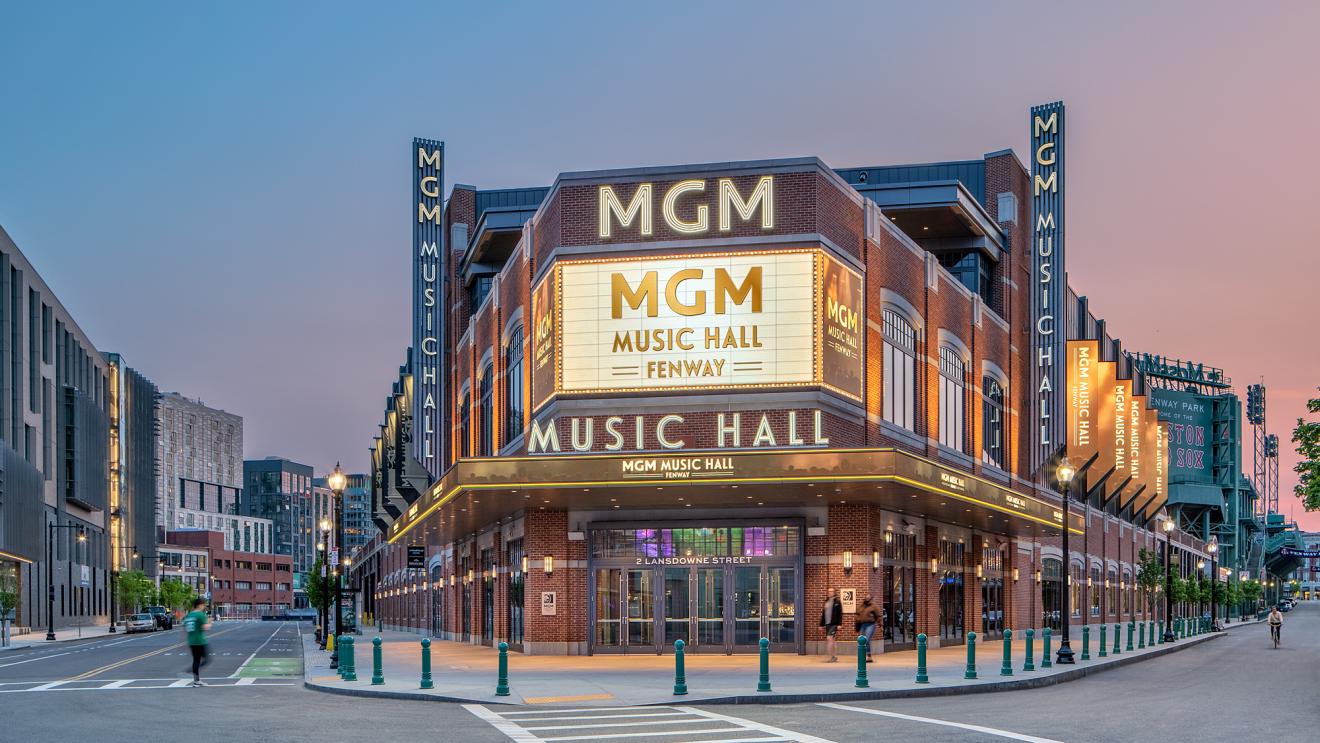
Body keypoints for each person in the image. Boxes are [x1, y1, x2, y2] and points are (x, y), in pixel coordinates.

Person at [183, 598, 212, 686]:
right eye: (203, 605)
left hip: (191, 641)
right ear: (199, 605)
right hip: (200, 640)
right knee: (207, 660)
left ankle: (196, 680)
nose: (204, 607)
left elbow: (185, 628)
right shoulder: (200, 615)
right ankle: (189, 671)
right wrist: (210, 622)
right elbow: (205, 627)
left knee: (196, 660)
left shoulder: (189, 615)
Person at [855, 595, 881, 662]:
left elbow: (878, 616)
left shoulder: (874, 606)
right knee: (861, 640)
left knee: (867, 639)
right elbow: (857, 614)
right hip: (862, 624)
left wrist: (880, 625)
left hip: (871, 624)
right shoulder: (861, 606)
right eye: (866, 597)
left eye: (868, 597)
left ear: (870, 598)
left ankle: (869, 656)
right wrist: (857, 621)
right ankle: (862, 655)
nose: (867, 598)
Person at [819, 588, 843, 662]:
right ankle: (834, 656)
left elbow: (840, 613)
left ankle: (832, 656)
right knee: (833, 640)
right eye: (828, 591)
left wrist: (839, 624)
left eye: (831, 591)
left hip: (834, 624)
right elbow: (823, 614)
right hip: (827, 624)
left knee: (829, 638)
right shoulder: (826, 602)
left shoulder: (837, 602)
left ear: (834, 592)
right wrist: (821, 625)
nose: (830, 592)